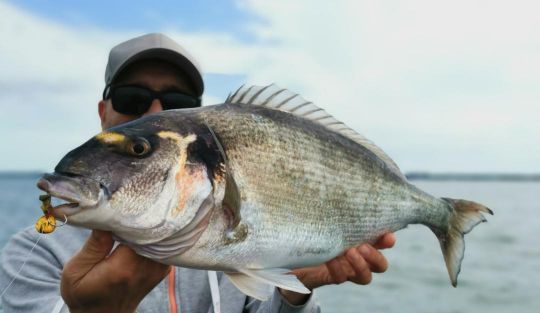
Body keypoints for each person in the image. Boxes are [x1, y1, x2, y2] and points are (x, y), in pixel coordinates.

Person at [0, 33, 396, 313]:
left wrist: (294, 294)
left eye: (177, 102)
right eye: (132, 98)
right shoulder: (32, 254)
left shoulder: (242, 249)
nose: (154, 113)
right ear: (103, 112)